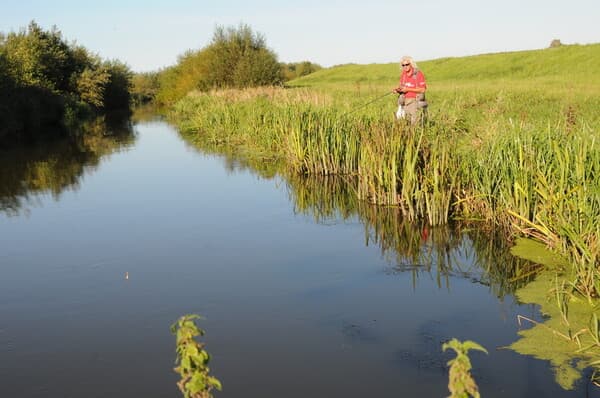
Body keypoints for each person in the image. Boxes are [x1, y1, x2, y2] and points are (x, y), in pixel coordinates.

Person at [393, 56, 427, 125]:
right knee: (406, 125)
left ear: (411, 64)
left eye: (407, 64)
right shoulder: (403, 75)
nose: (405, 66)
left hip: (415, 102)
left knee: (415, 125)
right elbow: (402, 87)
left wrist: (408, 89)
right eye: (403, 65)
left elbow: (423, 89)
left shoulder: (418, 74)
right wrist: (397, 90)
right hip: (405, 103)